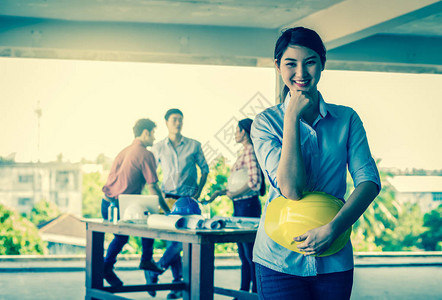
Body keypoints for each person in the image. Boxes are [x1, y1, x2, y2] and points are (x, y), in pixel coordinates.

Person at [250, 27, 381, 300]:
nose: (301, 73)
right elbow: (292, 189)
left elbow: (368, 181)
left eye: (310, 62)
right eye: (290, 64)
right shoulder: (265, 123)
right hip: (278, 260)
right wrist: (291, 118)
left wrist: (334, 229)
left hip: (334, 258)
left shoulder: (347, 119)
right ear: (277, 67)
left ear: (322, 63)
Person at [147, 108, 209, 299]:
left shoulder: (194, 145)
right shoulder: (158, 147)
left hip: (188, 202)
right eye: (174, 119)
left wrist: (198, 192)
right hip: (167, 200)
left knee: (180, 244)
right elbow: (152, 174)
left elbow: (205, 169)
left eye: (180, 120)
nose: (178, 123)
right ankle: (176, 285)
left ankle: (156, 270)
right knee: (173, 243)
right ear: (166, 122)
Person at [101, 118, 171, 287]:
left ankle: (107, 267)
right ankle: (145, 260)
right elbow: (153, 186)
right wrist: (167, 211)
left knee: (121, 237)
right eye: (153, 133)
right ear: (145, 132)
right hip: (121, 205)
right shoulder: (145, 154)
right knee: (151, 221)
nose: (154, 138)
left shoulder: (124, 151)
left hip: (106, 203)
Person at [208, 118, 265, 295]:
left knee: (250, 255)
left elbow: (255, 183)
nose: (234, 133)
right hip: (242, 205)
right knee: (244, 254)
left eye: (237, 130)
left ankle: (254, 294)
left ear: (245, 133)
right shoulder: (245, 152)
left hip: (247, 206)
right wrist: (223, 192)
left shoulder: (249, 152)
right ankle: (244, 293)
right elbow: (241, 182)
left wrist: (235, 194)